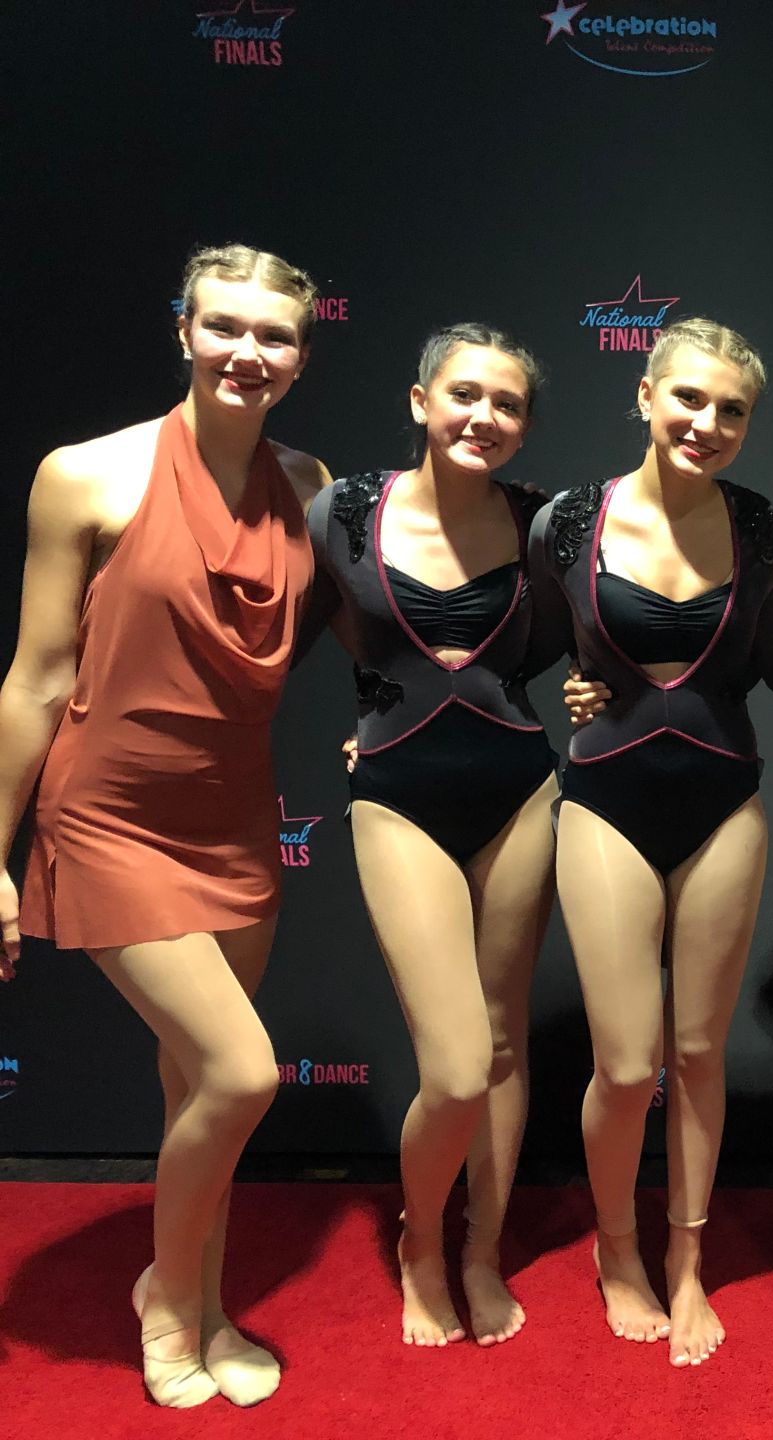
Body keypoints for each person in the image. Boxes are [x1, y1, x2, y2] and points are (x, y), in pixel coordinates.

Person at [0, 244, 329, 1407]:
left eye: (275, 334)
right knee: (241, 1076)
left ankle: (201, 1301)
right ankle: (168, 1309)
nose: (249, 351)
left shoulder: (309, 478)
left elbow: (376, 630)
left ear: (302, 351)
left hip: (235, 822)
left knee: (196, 1092)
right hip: (109, 817)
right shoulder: (83, 476)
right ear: (182, 328)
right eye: (225, 325)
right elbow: (36, 678)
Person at [529, 317, 773, 1367]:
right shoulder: (568, 520)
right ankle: (619, 1249)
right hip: (603, 800)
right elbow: (493, 647)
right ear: (645, 394)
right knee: (628, 1057)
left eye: (731, 410)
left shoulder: (764, 530)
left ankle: (686, 1261)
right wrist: (367, 728)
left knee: (696, 1052)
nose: (707, 422)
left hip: (726, 802)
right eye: (689, 398)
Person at [303, 324, 561, 1347]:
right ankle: (420, 1244)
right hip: (398, 792)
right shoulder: (345, 511)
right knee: (453, 1063)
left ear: (524, 425)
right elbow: (311, 615)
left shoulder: (547, 526)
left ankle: (481, 1249)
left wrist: (591, 690)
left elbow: (616, 628)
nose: (482, 417)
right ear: (420, 400)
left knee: (502, 1040)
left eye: (505, 404)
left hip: (519, 791)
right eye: (463, 394)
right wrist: (375, 701)